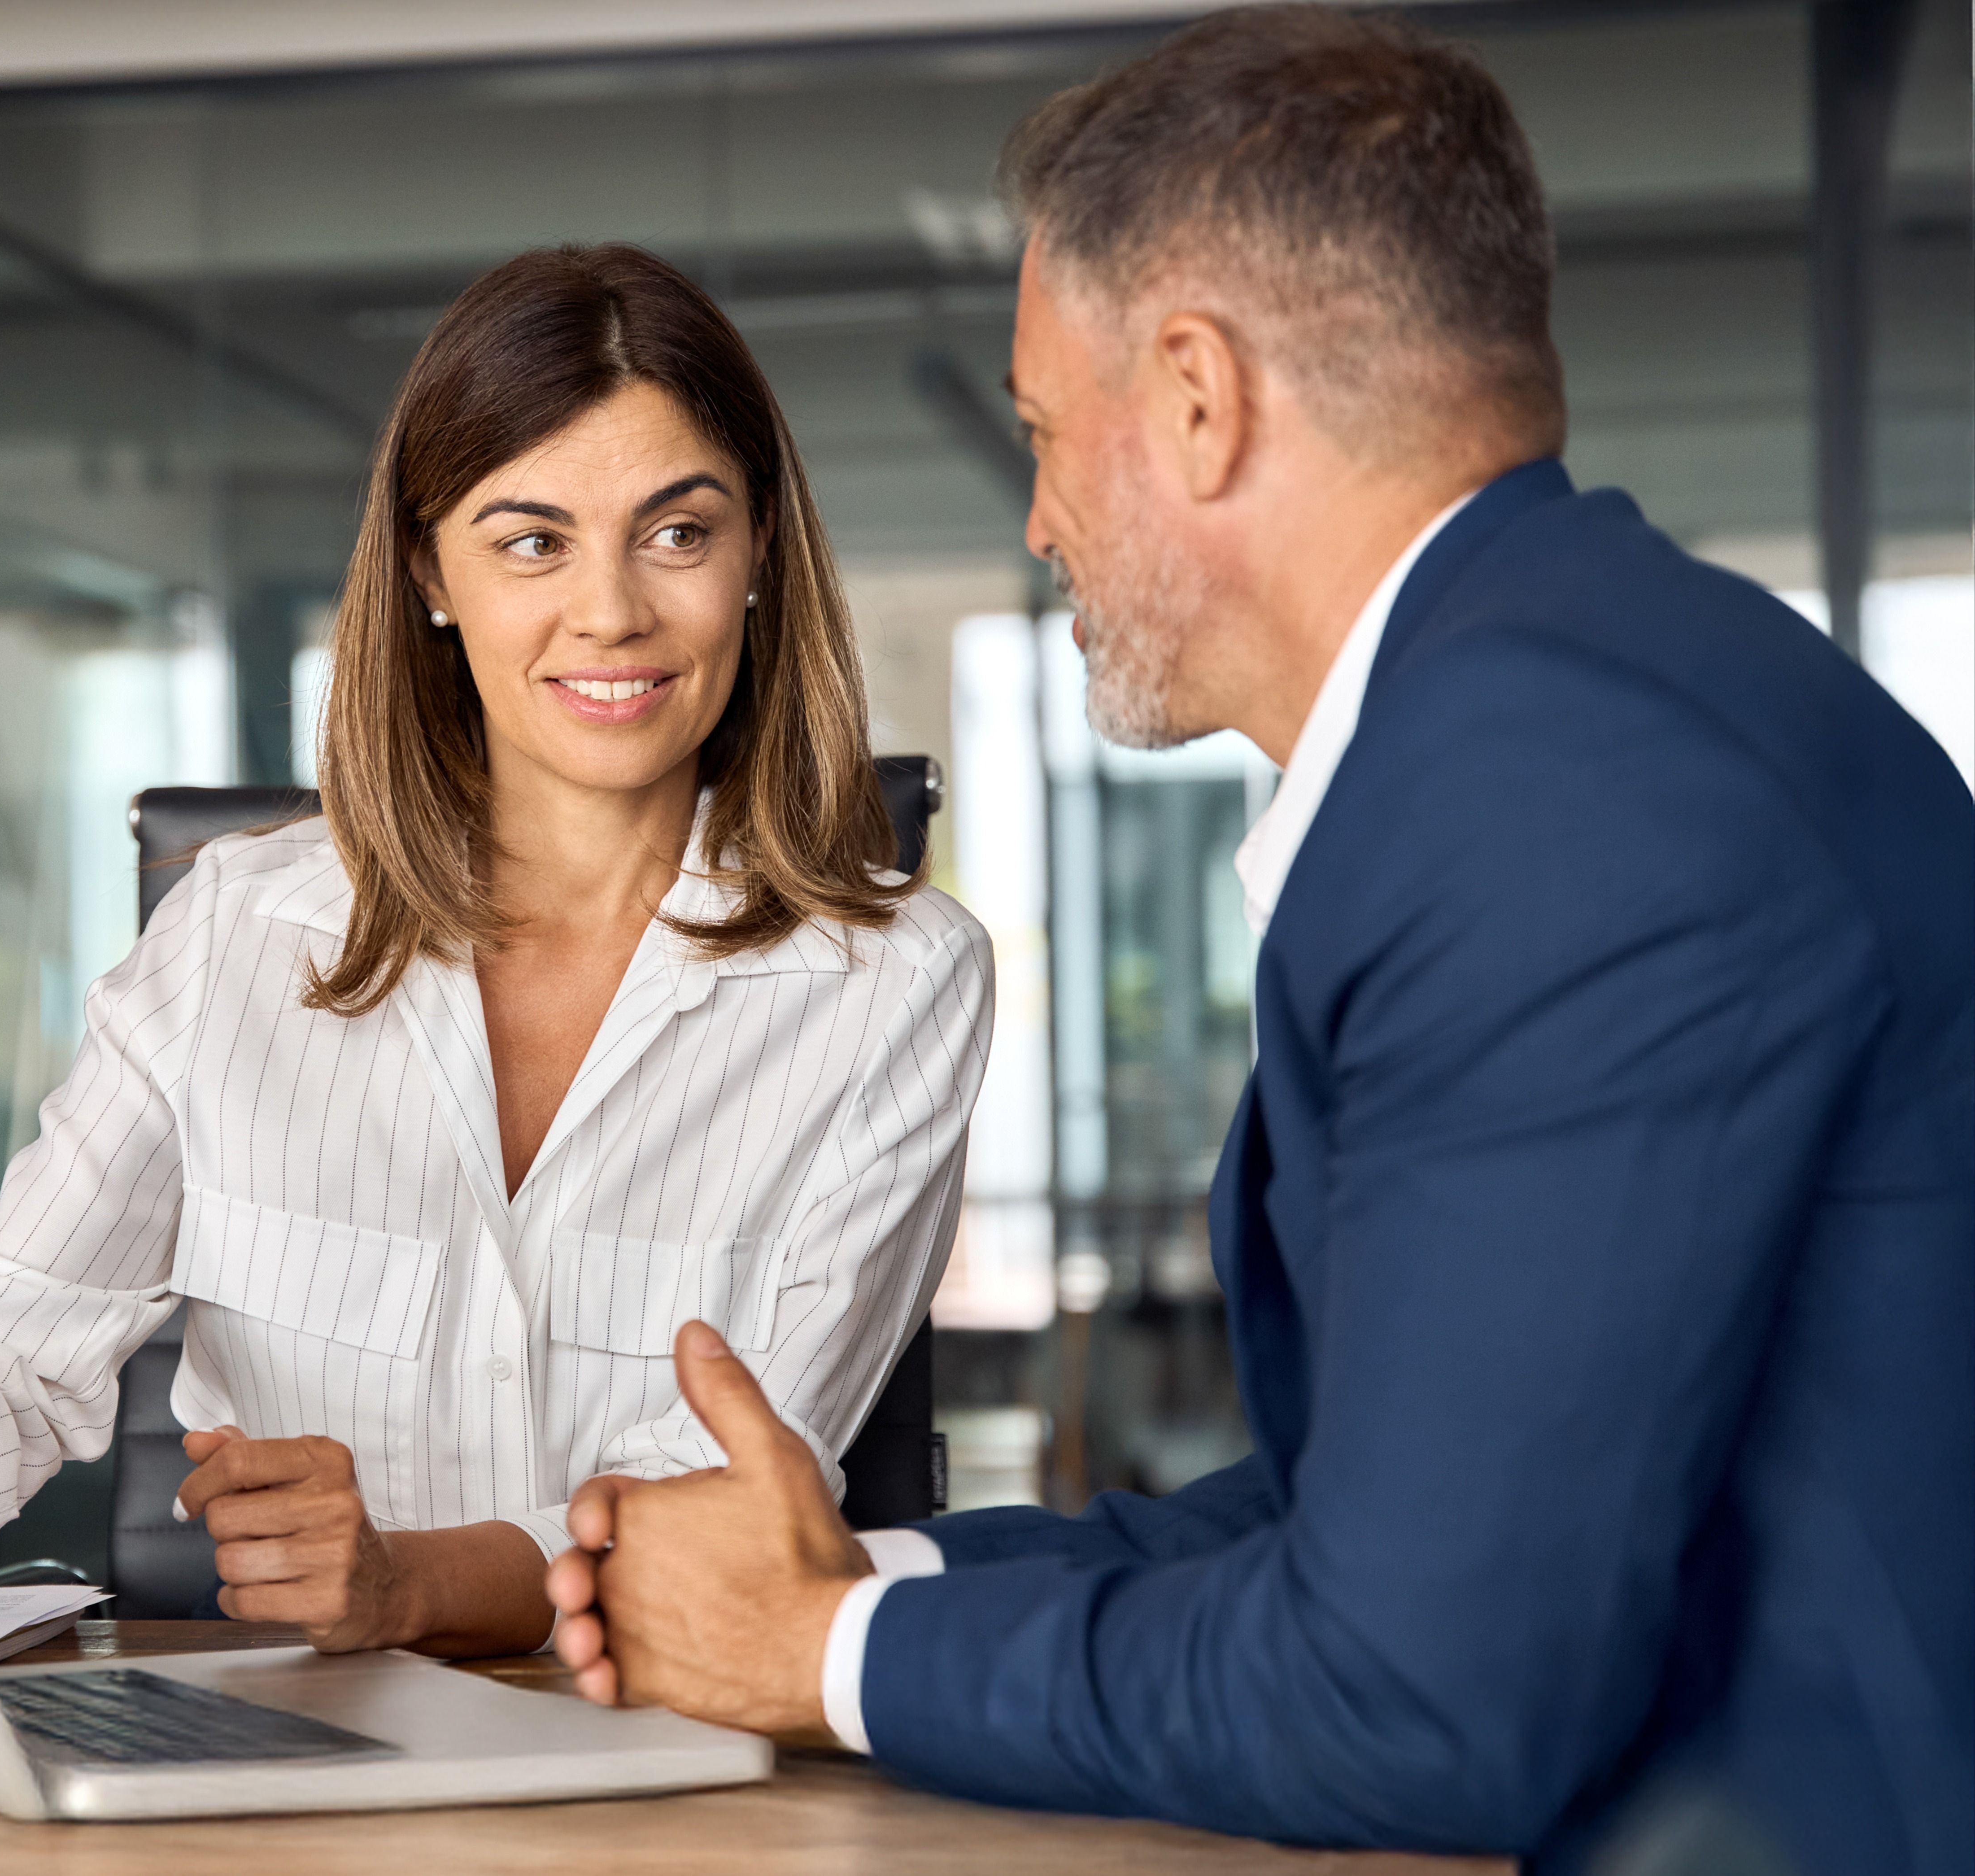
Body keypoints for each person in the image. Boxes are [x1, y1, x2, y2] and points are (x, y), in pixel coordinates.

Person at [542, 12, 1975, 1873]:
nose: (1041, 517)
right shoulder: (1586, 699)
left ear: (1199, 399)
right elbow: (1361, 1519)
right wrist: (844, 1573)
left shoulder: (1552, 794)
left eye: (1047, 434)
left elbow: (1410, 1694)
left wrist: (820, 1646)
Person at [0, 243, 991, 1660]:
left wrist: (414, 1582)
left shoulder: (899, 981)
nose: (611, 611)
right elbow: (4, 1359)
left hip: (682, 1760)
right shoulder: (237, 933)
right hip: (291, 1755)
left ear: (758, 556)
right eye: (531, 540)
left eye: (678, 533)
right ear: (433, 571)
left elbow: (736, 1487)